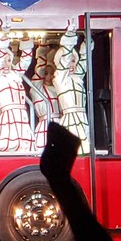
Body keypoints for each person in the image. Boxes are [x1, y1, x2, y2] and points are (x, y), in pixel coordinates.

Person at [0, 29, 35, 152]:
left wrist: (25, 38)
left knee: (25, 147)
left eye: (8, 60)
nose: (6, 64)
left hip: (21, 116)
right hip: (9, 116)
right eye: (3, 60)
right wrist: (4, 36)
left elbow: (25, 61)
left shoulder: (14, 74)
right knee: (8, 146)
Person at [54, 21, 90, 154]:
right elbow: (64, 61)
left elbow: (85, 59)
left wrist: (88, 38)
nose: (71, 64)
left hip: (82, 118)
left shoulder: (77, 77)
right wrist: (70, 36)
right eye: (69, 61)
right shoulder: (59, 78)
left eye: (73, 61)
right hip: (70, 119)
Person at [29, 37, 60, 151]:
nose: (48, 76)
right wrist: (42, 48)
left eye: (51, 74)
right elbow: (40, 70)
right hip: (45, 126)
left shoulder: (58, 88)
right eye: (46, 73)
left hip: (60, 124)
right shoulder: (37, 88)